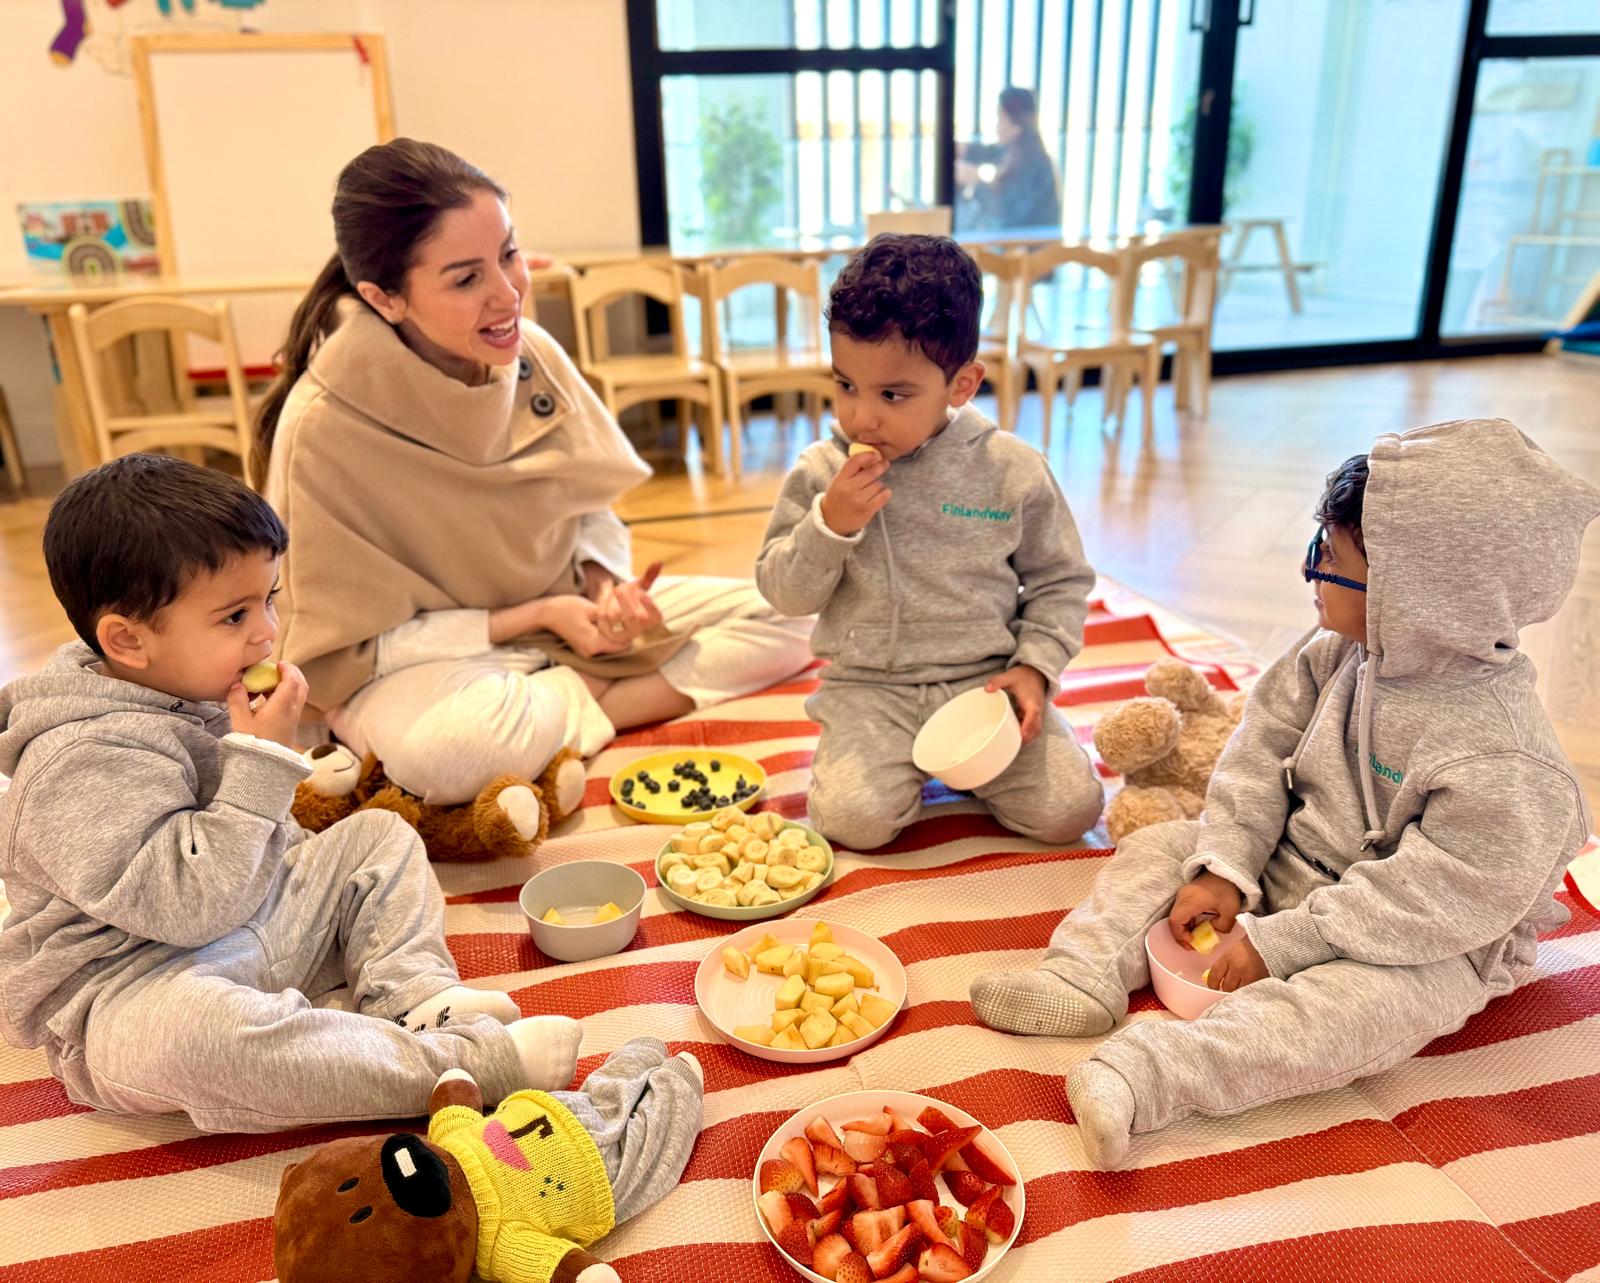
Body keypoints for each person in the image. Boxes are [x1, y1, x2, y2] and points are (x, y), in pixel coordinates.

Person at [969, 420, 1600, 1169]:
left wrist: (1283, 944)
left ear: (1417, 597)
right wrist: (1225, 866)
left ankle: (1149, 1076)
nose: (1312, 572)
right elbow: (1258, 751)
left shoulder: (1506, 760)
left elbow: (1432, 900)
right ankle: (1081, 976)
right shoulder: (1333, 652)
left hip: (1414, 941)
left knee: (1368, 1010)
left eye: (1330, 558)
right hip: (1289, 866)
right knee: (1163, 845)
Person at [0, 454, 598, 1132]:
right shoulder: (76, 762)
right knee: (200, 1040)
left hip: (252, 914)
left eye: (269, 599)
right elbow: (190, 907)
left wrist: (276, 766)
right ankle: (459, 1066)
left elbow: (267, 845)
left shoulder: (186, 680)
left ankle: (413, 997)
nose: (267, 631)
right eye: (234, 616)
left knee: (380, 835)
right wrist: (261, 758)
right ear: (127, 641)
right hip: (133, 978)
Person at [256, 138, 814, 807]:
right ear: (385, 298)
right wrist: (534, 617)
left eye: (509, 254)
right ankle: (598, 697)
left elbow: (587, 498)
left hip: (565, 623)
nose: (508, 293)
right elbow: (342, 652)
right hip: (432, 664)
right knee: (449, 758)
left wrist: (606, 588)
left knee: (796, 614)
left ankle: (563, 710)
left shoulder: (530, 354)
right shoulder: (323, 428)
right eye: (466, 279)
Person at [754, 233, 1104, 851]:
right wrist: (828, 526)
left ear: (962, 385)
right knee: (852, 823)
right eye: (846, 385)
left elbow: (1061, 580)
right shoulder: (820, 472)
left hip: (986, 685)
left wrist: (1034, 668)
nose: (861, 417)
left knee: (1070, 811)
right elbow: (784, 593)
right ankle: (902, 770)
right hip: (869, 690)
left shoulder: (1011, 469)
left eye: (893, 395)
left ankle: (974, 770)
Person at [956, 86, 1062, 232]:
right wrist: (962, 149)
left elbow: (1009, 216)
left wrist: (976, 181)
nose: (996, 127)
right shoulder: (1013, 152)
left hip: (1025, 242)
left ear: (1016, 125)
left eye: (1000, 119)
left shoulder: (1036, 165)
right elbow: (988, 151)